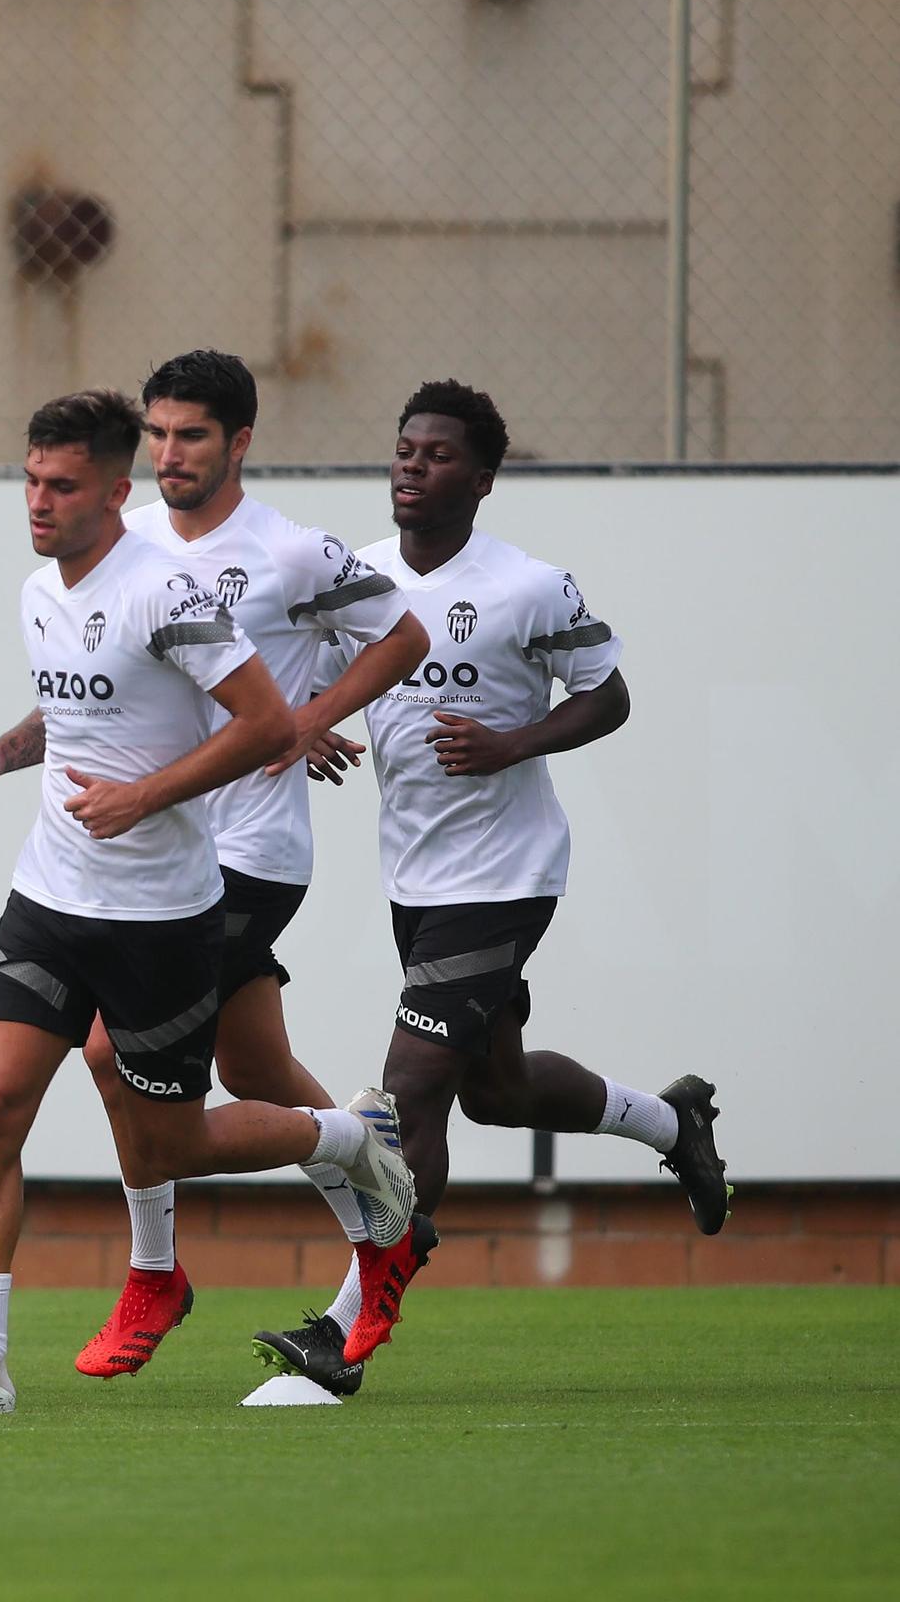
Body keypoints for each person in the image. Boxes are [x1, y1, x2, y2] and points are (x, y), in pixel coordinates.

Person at [0, 389, 416, 1416]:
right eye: (32, 480)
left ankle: (349, 1140)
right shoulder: (40, 589)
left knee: (170, 1138)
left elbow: (266, 724)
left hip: (162, 910)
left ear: (112, 490)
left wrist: (146, 794)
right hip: (48, 891)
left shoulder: (170, 590)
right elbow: (82, 705)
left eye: (63, 484)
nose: (39, 501)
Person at [252, 379, 729, 1396]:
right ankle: (672, 1121)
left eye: (433, 453)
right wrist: (307, 721)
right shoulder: (361, 578)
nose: (410, 466)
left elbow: (609, 693)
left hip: (506, 874)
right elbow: (316, 669)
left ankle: (349, 1323)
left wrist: (515, 739)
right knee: (495, 1088)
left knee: (411, 1087)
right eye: (402, 449)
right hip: (415, 872)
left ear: (481, 476)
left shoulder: (527, 585)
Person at [72, 349, 431, 1378]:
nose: (170, 452)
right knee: (255, 1069)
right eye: (158, 433)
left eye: (192, 434)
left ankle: (154, 1271)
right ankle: (383, 1227)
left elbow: (398, 636)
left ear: (240, 441)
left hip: (248, 854)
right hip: (153, 853)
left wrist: (306, 716)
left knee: (107, 1052)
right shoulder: (128, 542)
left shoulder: (289, 551)